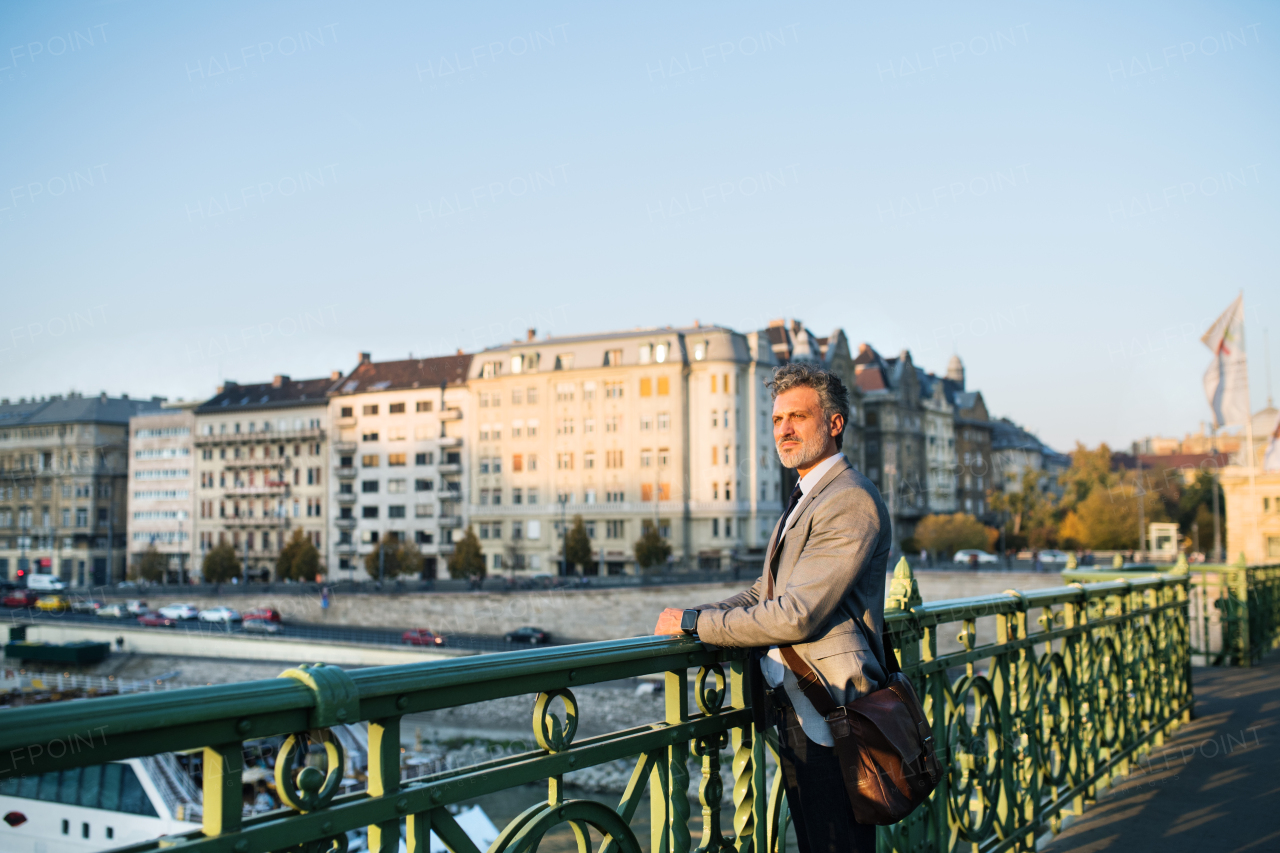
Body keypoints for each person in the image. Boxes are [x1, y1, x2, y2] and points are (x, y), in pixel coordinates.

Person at [653, 363, 890, 853]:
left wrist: (700, 625)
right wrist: (692, 614)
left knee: (837, 844)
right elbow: (766, 592)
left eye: (798, 417)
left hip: (833, 710)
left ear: (834, 424)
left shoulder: (848, 500)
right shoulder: (806, 497)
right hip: (798, 705)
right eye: (778, 418)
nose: (784, 429)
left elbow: (796, 613)